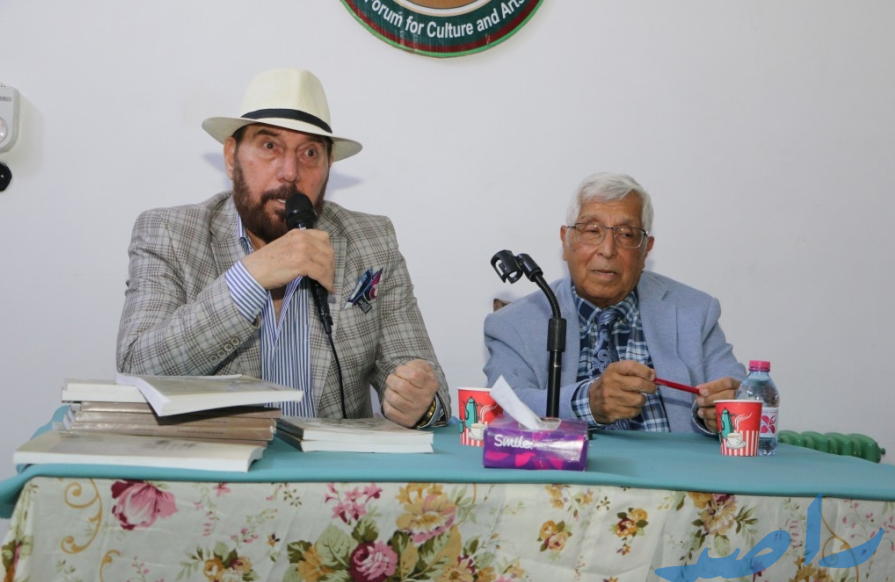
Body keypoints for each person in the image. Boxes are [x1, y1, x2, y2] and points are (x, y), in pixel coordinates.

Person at [117, 68, 449, 429]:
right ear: (231, 157)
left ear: (328, 166)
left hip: (330, 463)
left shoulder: (371, 241)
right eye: (269, 146)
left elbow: (429, 390)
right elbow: (138, 368)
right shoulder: (169, 234)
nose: (290, 172)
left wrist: (421, 404)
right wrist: (250, 277)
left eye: (309, 152)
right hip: (221, 460)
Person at [484, 172, 744, 434]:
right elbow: (503, 406)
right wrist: (588, 403)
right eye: (592, 231)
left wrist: (723, 411)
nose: (607, 250)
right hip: (567, 460)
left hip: (672, 459)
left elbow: (745, 396)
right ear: (566, 240)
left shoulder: (694, 312)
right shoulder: (513, 324)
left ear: (646, 249)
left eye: (626, 235)